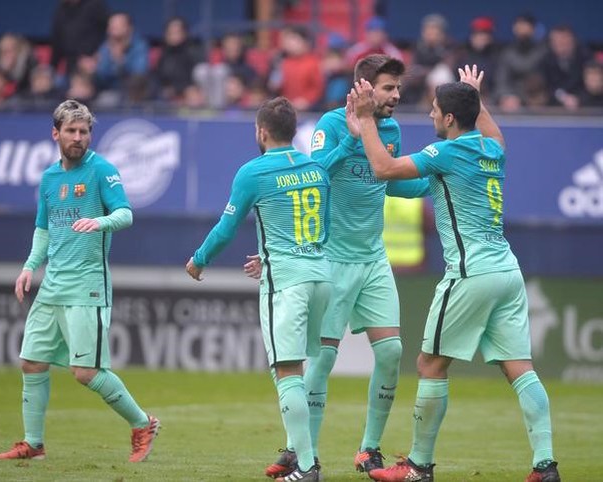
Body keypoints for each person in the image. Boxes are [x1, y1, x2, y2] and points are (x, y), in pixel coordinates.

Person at [347, 65, 560, 482]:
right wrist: (474, 98)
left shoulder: (446, 151)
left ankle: (418, 466)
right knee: (521, 369)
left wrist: (368, 118)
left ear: (448, 119)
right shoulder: (490, 149)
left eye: (433, 110)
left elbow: (383, 169)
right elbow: (498, 136)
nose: (429, 116)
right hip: (507, 272)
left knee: (429, 364)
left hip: (470, 273)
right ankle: (546, 465)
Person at [261, 54, 430, 481]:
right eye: (388, 87)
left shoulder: (390, 129)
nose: (396, 95)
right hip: (330, 259)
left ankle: (367, 450)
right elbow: (313, 174)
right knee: (319, 362)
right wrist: (352, 139)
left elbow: (389, 180)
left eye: (397, 87)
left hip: (373, 258)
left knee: (391, 353)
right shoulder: (330, 125)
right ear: (363, 86)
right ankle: (304, 456)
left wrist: (436, 175)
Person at [0, 99, 160, 463]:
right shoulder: (50, 177)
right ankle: (33, 445)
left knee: (85, 373)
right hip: (53, 285)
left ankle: (143, 423)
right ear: (56, 134)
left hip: (88, 284)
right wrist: (29, 266)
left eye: (84, 131)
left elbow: (126, 214)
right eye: (71, 131)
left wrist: (101, 221)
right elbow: (44, 228)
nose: (78, 137)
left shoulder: (102, 171)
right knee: (32, 361)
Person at [186, 97, 331, 482]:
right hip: (321, 276)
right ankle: (298, 456)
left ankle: (307, 466)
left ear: (262, 131)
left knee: (286, 372)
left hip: (287, 283)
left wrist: (199, 259)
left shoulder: (253, 172)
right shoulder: (316, 168)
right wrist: (270, 258)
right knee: (297, 369)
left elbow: (226, 229)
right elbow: (319, 230)